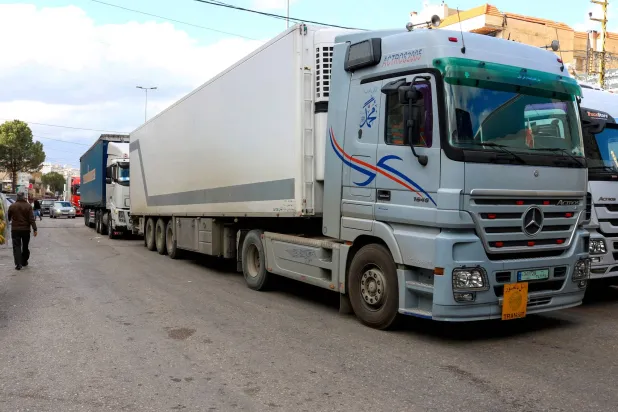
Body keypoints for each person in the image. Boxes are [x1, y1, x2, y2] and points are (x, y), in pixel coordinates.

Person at [7, 192, 38, 270]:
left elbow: (9, 217)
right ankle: (24, 261)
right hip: (26, 230)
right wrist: (35, 229)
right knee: (25, 246)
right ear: (24, 197)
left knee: (16, 246)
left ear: (17, 197)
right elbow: (31, 219)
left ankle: (18, 264)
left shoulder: (12, 206)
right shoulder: (28, 206)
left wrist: (10, 220)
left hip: (15, 230)